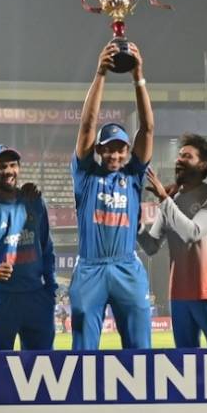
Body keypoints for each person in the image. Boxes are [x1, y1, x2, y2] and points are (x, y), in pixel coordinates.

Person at [69, 43, 155, 349]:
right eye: (108, 147)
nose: (115, 153)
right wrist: (100, 73)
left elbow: (147, 127)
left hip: (126, 267)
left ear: (127, 151)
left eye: (121, 147)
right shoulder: (86, 176)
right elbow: (87, 125)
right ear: (99, 150)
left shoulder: (133, 177)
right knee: (83, 351)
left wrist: (138, 77)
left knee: (140, 349)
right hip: (90, 267)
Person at [138, 134, 207, 348]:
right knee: (186, 365)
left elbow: (193, 232)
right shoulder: (171, 200)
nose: (179, 160)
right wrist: (137, 225)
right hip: (178, 297)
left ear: (203, 164)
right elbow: (152, 247)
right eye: (179, 155)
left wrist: (164, 199)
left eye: (187, 156)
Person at [0, 145, 58, 351]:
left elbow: (46, 249)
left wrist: (51, 289)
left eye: (13, 165)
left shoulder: (34, 202)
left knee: (42, 367)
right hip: (1, 299)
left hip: (36, 297)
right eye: (1, 166)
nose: (8, 171)